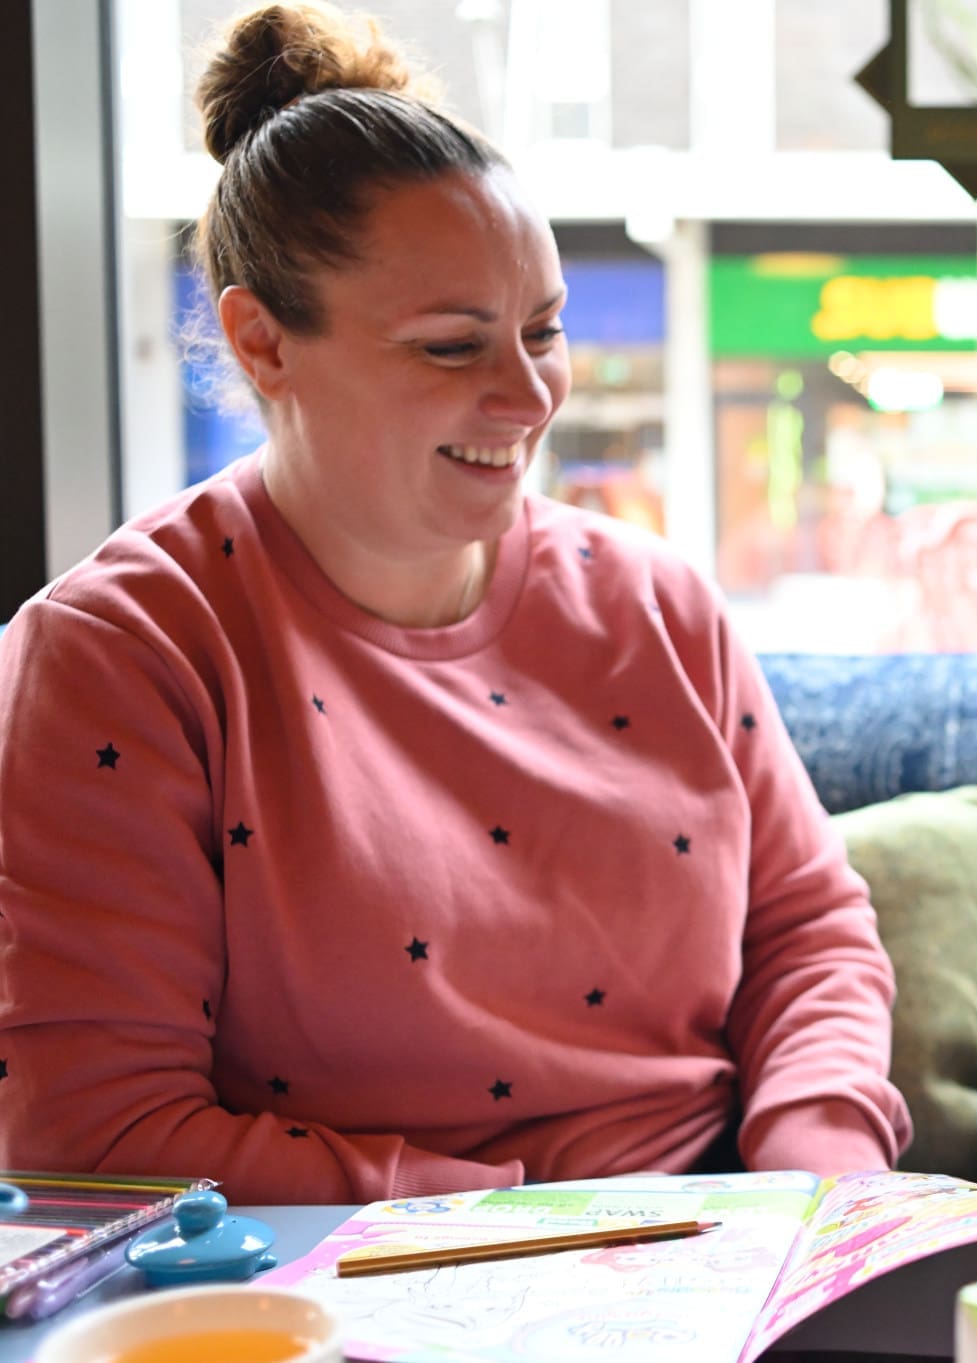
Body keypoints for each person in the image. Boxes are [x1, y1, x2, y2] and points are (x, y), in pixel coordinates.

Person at [0, 2, 909, 1205]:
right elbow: (89, 1128)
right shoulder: (122, 655)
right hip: (366, 1281)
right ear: (263, 344)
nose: (528, 394)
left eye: (543, 331)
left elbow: (806, 931)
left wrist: (814, 1186)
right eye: (449, 347)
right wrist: (508, 1225)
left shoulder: (656, 600)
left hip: (730, 1230)